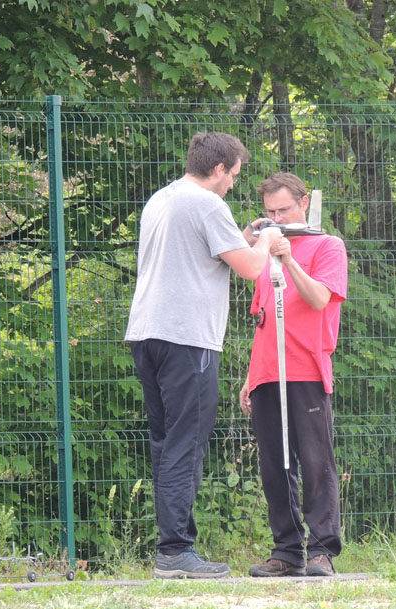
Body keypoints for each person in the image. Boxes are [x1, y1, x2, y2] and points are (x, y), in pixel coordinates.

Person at [126, 132, 289, 579]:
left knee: (166, 443)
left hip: (147, 333)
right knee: (187, 443)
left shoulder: (163, 199)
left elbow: (203, 253)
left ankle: (172, 548)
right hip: (188, 338)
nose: (233, 184)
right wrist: (267, 239)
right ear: (218, 169)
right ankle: (176, 551)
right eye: (233, 175)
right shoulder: (207, 204)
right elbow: (251, 267)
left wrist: (245, 235)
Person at [239, 172, 348, 577]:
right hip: (268, 371)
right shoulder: (264, 251)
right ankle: (286, 551)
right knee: (274, 466)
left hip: (307, 369)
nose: (278, 218)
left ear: (304, 203)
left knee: (316, 461)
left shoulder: (328, 246)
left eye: (284, 210)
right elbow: (263, 319)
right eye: (271, 212)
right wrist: (251, 376)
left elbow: (320, 298)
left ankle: (322, 550)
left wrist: (288, 260)